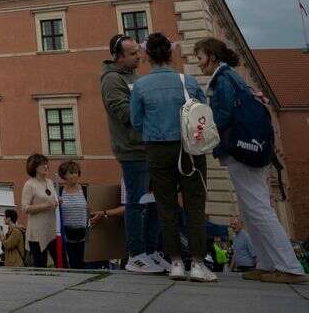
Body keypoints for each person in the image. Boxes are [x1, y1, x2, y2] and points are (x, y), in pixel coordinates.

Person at [194, 37, 306, 284]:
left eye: (200, 58)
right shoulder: (233, 78)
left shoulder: (223, 80)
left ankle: (289, 266)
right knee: (250, 209)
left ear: (212, 56)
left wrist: (202, 128)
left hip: (241, 151)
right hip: (253, 150)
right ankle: (266, 263)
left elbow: (222, 118)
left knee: (257, 208)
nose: (199, 63)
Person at [130, 32, 214, 282]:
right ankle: (198, 263)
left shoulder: (141, 86)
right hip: (189, 149)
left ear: (148, 56)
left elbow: (136, 122)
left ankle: (176, 262)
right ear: (170, 53)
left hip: (157, 149)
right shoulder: (187, 81)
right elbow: (203, 114)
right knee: (195, 205)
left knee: (166, 207)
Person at [101, 34, 166, 274]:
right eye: (132, 54)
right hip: (131, 149)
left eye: (138, 52)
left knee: (151, 203)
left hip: (147, 146)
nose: (139, 56)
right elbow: (122, 112)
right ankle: (136, 255)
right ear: (118, 57)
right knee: (136, 203)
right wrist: (153, 105)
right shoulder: (111, 80)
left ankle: (150, 252)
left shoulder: (134, 77)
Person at [20, 154, 58, 268]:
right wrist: (45, 205)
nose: (46, 166)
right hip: (36, 233)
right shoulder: (29, 184)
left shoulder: (50, 182)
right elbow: (25, 208)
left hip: (51, 230)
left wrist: (57, 202)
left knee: (62, 263)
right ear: (34, 167)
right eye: (42, 164)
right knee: (41, 266)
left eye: (46, 164)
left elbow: (53, 201)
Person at [56, 160, 88, 270]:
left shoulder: (85, 190)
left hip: (85, 235)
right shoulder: (59, 192)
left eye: (76, 172)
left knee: (85, 265)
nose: (74, 175)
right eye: (71, 172)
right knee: (73, 265)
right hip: (67, 236)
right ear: (64, 175)